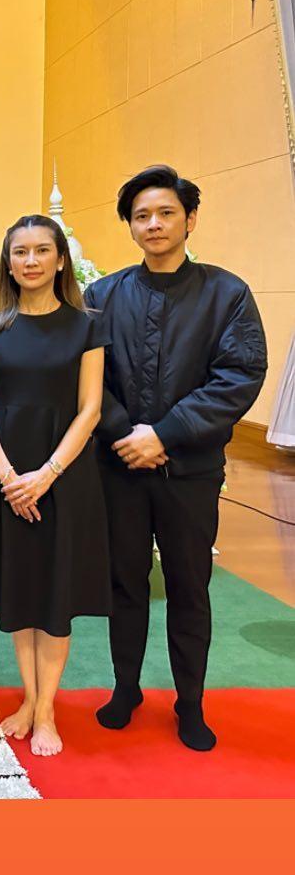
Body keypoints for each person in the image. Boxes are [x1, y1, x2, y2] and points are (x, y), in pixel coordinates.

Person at [85, 164, 268, 751]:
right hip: (119, 466)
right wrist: (125, 434)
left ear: (190, 219)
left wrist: (163, 435)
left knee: (190, 586)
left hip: (189, 469)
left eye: (166, 213)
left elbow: (239, 375)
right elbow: (85, 376)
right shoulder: (102, 296)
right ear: (130, 226)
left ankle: (190, 703)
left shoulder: (227, 294)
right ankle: (126, 689)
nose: (154, 224)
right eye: (141, 215)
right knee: (124, 583)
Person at [0, 215, 111, 755]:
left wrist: (47, 474)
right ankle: (30, 700)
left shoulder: (87, 326)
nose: (30, 260)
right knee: (20, 586)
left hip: (65, 472)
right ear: (8, 264)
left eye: (41, 250)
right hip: (4, 472)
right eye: (20, 252)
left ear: (60, 260)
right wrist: (11, 477)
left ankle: (46, 711)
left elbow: (90, 409)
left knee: (54, 594)